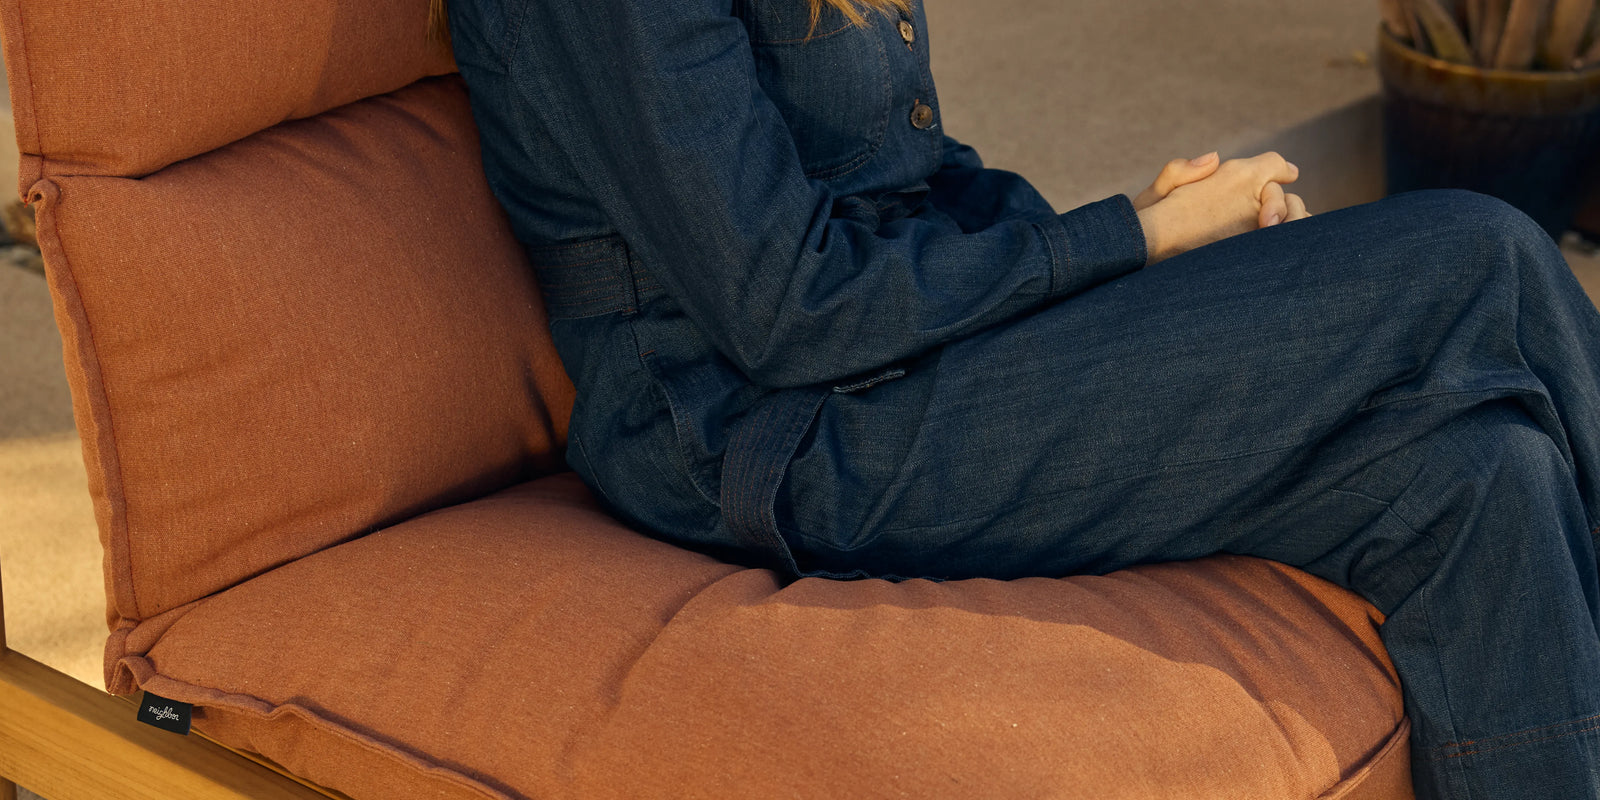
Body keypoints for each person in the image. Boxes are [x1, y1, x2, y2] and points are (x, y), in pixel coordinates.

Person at [440, 0, 1600, 796]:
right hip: (767, 430)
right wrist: (1128, 239)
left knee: (1482, 470)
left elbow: (916, 180)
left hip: (903, 363)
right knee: (1477, 257)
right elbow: (786, 308)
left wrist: (1107, 248)